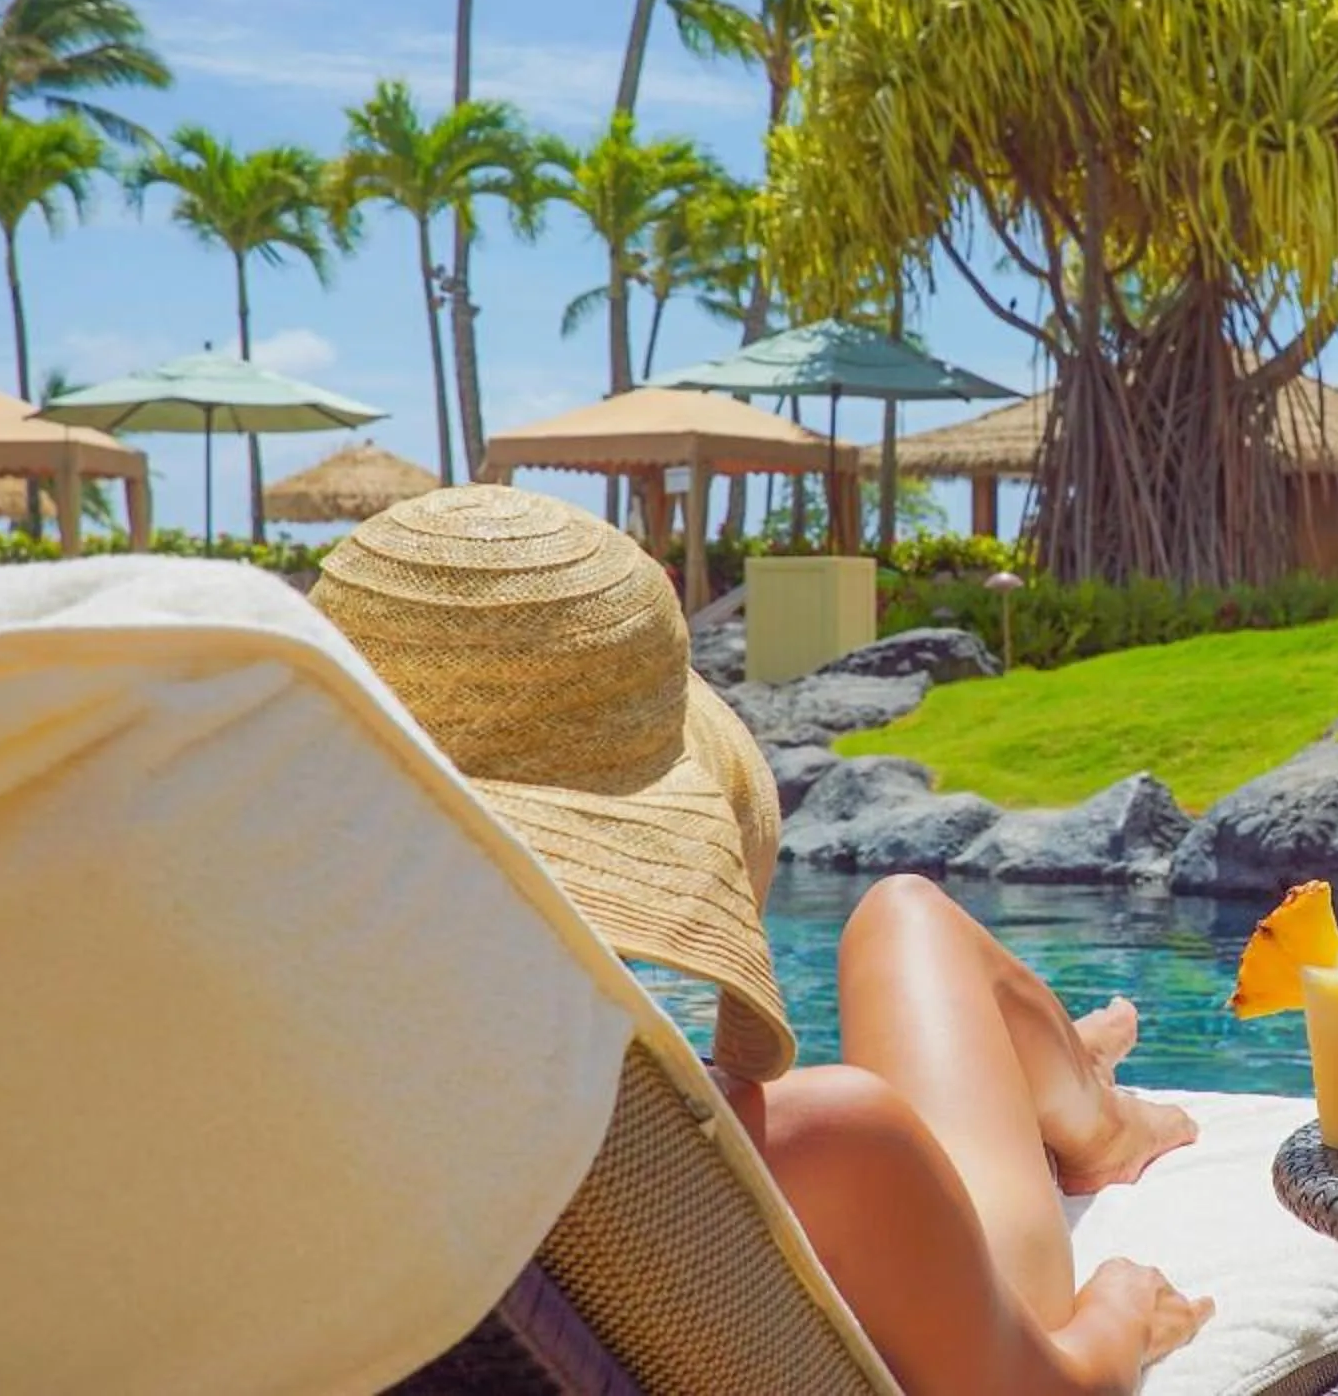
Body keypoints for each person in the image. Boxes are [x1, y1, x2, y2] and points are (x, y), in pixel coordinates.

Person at [310, 486, 1210, 1396]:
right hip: (923, 1279)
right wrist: (1123, 1313)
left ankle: (1072, 1086)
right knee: (907, 914)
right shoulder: (802, 1143)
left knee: (907, 918)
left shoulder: (292, 1129)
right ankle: (1082, 1108)